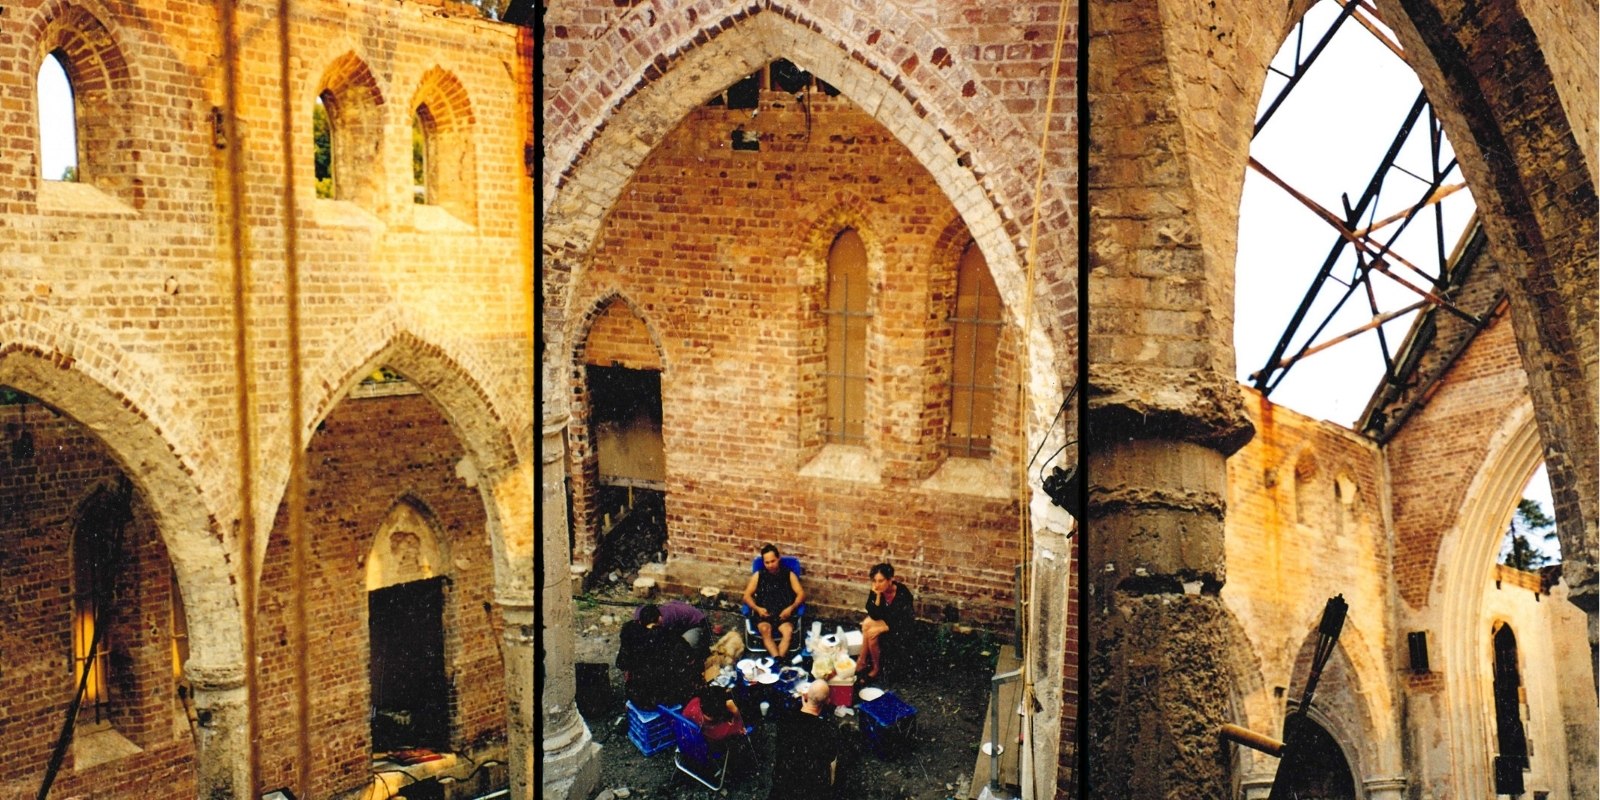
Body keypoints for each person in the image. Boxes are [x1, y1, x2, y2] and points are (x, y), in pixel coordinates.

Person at [767, 680, 838, 800]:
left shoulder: (785, 720)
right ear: (827, 701)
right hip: (811, 788)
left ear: (804, 696)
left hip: (784, 783)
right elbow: (830, 757)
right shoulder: (828, 729)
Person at [616, 603, 696, 707]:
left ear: (640, 621)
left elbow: (621, 663)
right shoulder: (668, 636)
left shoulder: (629, 631)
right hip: (661, 699)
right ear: (659, 619)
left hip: (636, 696)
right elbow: (689, 657)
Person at [742, 543, 805, 658]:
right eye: (767, 562)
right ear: (763, 562)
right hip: (764, 613)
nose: (770, 565)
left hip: (784, 613)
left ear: (778, 559)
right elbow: (746, 596)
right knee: (765, 630)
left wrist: (791, 608)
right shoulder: (759, 575)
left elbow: (801, 594)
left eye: (773, 561)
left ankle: (778, 660)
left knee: (788, 632)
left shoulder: (788, 574)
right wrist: (757, 609)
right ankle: (779, 659)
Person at [857, 562, 913, 682]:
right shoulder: (877, 590)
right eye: (875, 581)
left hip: (899, 628)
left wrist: (883, 628)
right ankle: (862, 661)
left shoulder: (903, 594)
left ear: (890, 579)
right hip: (887, 622)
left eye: (881, 581)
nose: (877, 585)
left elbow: (906, 621)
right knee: (867, 623)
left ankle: (876, 668)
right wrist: (877, 597)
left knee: (872, 634)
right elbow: (874, 615)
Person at [684, 685, 748, 756]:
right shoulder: (719, 730)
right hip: (707, 745)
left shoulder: (695, 702)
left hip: (686, 732)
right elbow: (739, 725)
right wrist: (735, 710)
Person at [639, 598, 709, 655]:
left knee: (681, 651)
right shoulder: (640, 615)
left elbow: (673, 640)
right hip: (679, 622)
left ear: (660, 619)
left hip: (697, 623)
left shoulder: (666, 620)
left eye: (654, 627)